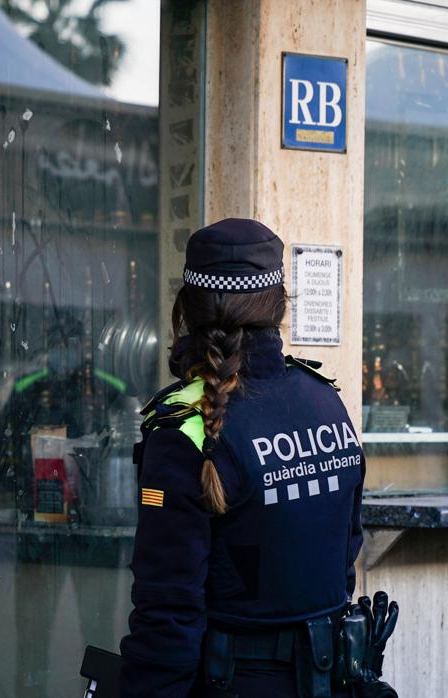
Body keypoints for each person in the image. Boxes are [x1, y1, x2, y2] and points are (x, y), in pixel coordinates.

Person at [119, 219, 365, 697]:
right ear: (278, 304)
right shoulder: (325, 401)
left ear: (185, 308)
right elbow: (345, 560)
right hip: (328, 679)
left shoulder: (184, 428)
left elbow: (167, 613)